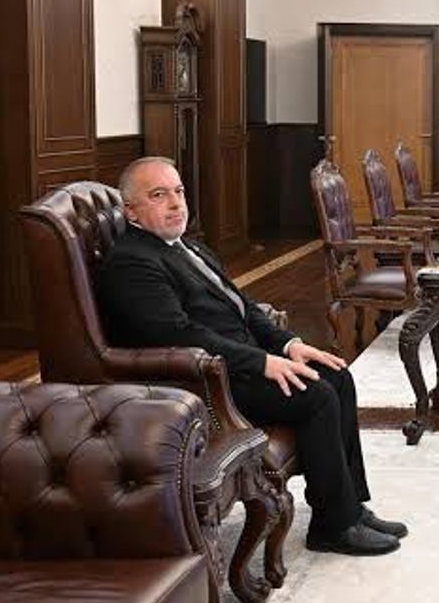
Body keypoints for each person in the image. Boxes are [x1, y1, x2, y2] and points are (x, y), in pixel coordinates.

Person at [98, 157, 408, 557]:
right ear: (131, 211)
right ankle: (333, 526)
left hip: (237, 363)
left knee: (337, 377)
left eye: (179, 192)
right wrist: (262, 362)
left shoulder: (187, 246)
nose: (175, 203)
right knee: (317, 396)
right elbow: (179, 334)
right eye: (159, 195)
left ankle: (350, 507)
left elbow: (243, 307)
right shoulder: (132, 261)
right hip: (207, 382)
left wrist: (289, 344)